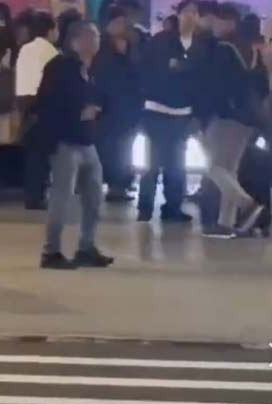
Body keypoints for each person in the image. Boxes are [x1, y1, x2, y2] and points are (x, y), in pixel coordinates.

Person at [37, 20, 113, 270]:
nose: (96, 41)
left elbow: (104, 97)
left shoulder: (95, 68)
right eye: (91, 36)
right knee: (62, 197)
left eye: (97, 36)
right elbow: (46, 104)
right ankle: (51, 251)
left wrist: (98, 110)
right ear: (76, 41)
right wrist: (77, 113)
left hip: (87, 141)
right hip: (65, 141)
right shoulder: (59, 68)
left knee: (94, 197)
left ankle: (86, 247)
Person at [200, 3, 268, 238]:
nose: (213, 26)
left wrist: (212, 113)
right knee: (230, 170)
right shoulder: (250, 49)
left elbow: (215, 86)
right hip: (249, 118)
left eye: (216, 21)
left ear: (228, 22)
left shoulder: (223, 49)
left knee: (215, 168)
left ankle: (247, 205)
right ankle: (225, 223)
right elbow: (262, 85)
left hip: (226, 117)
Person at [137, 0, 208, 223]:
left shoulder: (201, 45)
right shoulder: (161, 41)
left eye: (195, 13)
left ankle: (173, 207)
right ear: (178, 14)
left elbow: (201, 81)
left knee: (176, 163)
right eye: (186, 12)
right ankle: (145, 207)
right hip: (156, 109)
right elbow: (152, 70)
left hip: (184, 112)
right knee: (152, 162)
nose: (190, 16)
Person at [92, 6, 142, 203]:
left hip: (130, 106)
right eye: (119, 22)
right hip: (107, 106)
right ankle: (112, 185)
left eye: (125, 22)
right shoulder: (100, 46)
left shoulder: (134, 44)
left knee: (124, 147)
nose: (123, 26)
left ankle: (120, 184)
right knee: (109, 147)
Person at [15, 11, 58, 211]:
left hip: (23, 103)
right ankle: (37, 195)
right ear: (50, 31)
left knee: (31, 153)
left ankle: (31, 194)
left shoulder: (24, 49)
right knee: (42, 155)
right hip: (43, 104)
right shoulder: (51, 52)